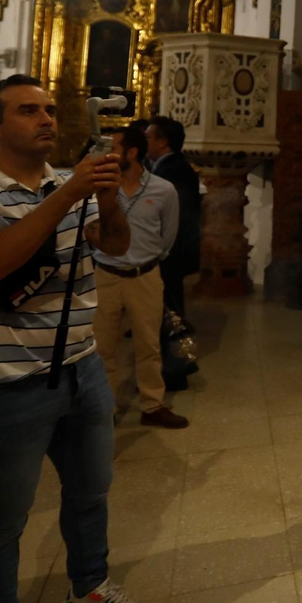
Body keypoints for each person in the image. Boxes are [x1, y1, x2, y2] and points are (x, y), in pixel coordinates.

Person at [0, 74, 151, 603]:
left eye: (50, 109)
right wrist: (70, 193)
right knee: (2, 520)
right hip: (1, 381)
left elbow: (117, 245)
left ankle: (89, 590)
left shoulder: (65, 183)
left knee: (90, 493)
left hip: (81, 366)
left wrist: (106, 196)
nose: (47, 119)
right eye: (29, 111)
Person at [90, 123, 187, 428]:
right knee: (102, 346)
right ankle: (105, 409)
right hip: (105, 274)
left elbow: (168, 236)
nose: (105, 154)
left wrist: (148, 260)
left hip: (145, 274)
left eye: (112, 148)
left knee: (148, 345)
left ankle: (152, 405)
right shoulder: (98, 187)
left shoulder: (163, 190)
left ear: (131, 152)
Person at [143, 116, 201, 319]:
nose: (143, 141)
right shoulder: (166, 167)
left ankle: (172, 333)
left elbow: (175, 213)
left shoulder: (174, 170)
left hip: (173, 246)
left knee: (169, 295)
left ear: (162, 142)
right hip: (171, 245)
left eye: (148, 137)